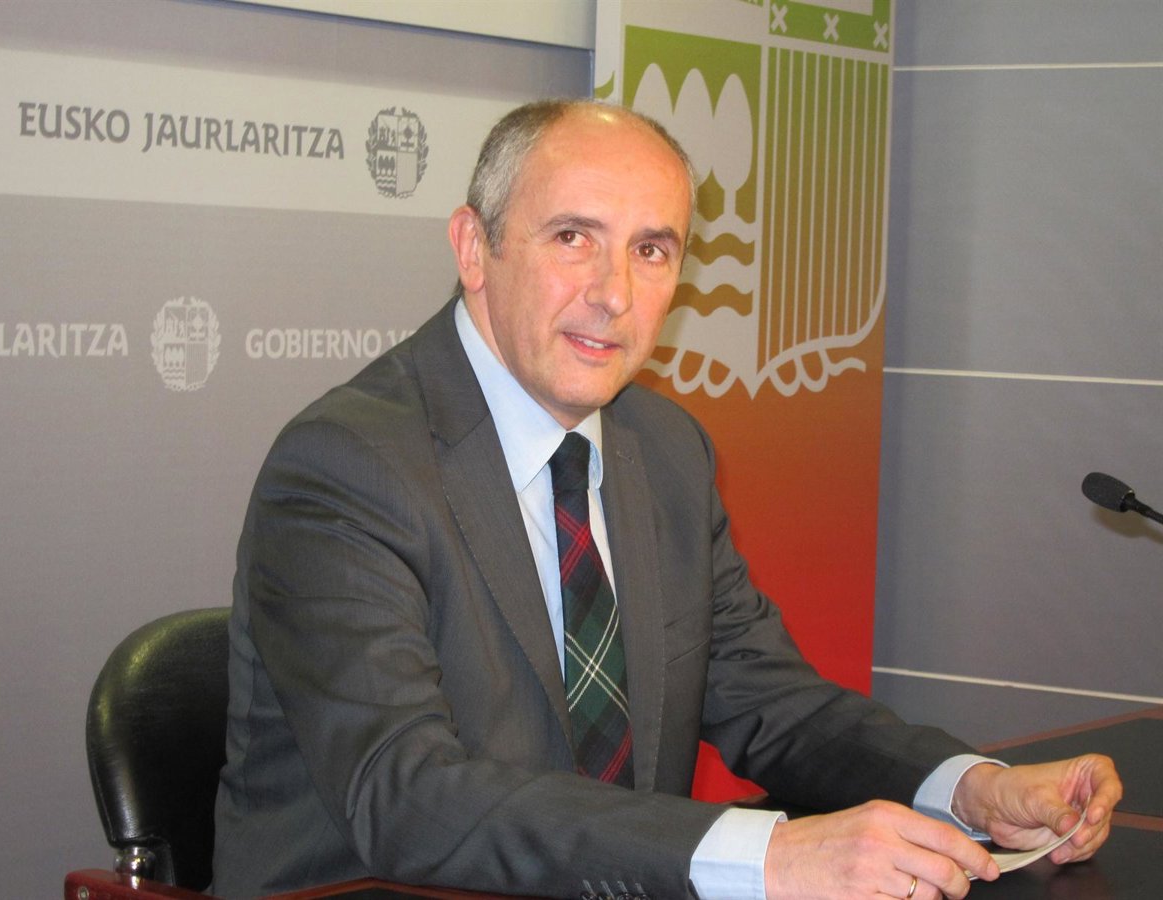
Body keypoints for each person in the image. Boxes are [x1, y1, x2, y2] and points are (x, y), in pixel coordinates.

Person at [212, 100, 1121, 900]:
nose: (614, 295)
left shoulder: (664, 448)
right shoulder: (350, 465)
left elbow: (773, 704)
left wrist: (971, 788)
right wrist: (770, 855)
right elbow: (405, 797)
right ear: (473, 248)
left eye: (651, 251)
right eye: (573, 238)